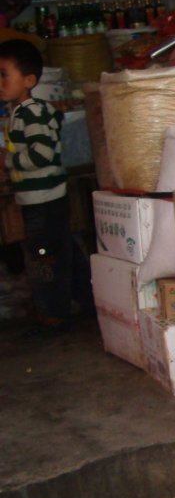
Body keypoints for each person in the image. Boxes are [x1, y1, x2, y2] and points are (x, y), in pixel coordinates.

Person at [0, 38, 91, 332]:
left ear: (29, 81)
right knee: (63, 250)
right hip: (41, 197)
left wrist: (8, 161)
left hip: (43, 200)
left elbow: (41, 154)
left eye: (4, 75)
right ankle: (88, 299)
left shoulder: (30, 112)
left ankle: (53, 312)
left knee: (44, 257)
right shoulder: (21, 110)